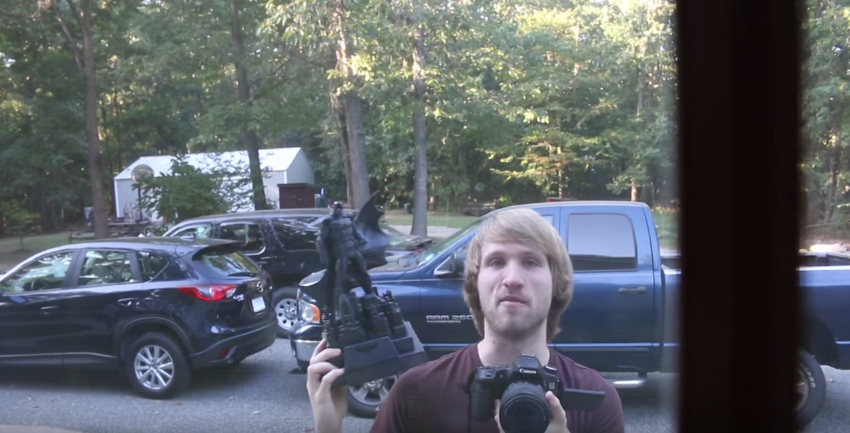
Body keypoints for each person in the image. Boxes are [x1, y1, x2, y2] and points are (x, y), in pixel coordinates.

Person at [306, 207, 625, 433]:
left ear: (557, 283)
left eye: (530, 262)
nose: (512, 278)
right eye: (496, 262)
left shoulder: (597, 401)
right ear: (475, 282)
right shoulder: (416, 393)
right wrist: (328, 429)